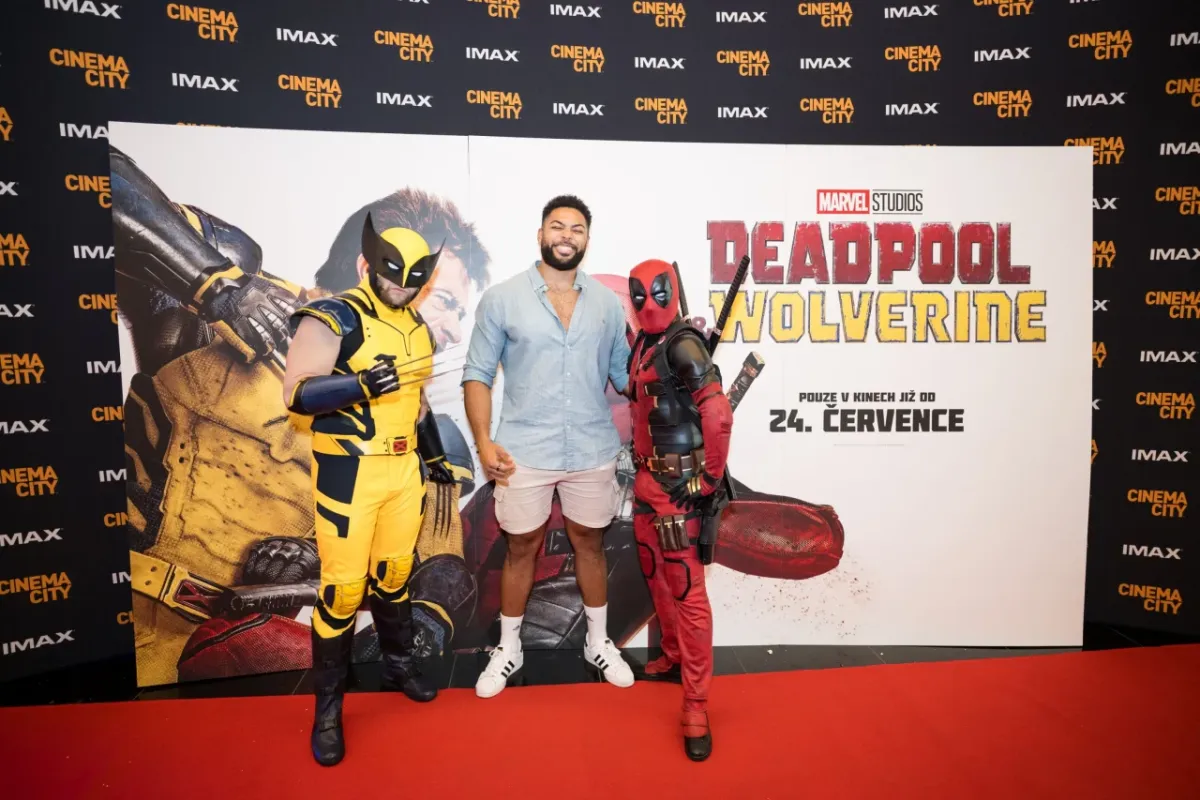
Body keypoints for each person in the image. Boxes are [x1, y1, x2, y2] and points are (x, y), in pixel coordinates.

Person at [109, 142, 489, 685]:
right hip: (128, 637)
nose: (453, 330)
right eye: (446, 302)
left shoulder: (420, 423)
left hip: (249, 666)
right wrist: (219, 290)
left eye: (461, 314)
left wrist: (414, 623)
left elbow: (441, 567)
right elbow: (100, 177)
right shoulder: (240, 303)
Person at [281, 214, 465, 766]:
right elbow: (296, 392)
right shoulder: (335, 316)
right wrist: (358, 385)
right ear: (369, 263)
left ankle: (398, 666)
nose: (402, 286)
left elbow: (418, 402)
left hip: (403, 471)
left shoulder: (417, 327)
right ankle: (328, 711)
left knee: (395, 574)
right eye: (393, 274)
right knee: (342, 592)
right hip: (350, 471)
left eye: (413, 279)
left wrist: (435, 455)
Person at [461, 195, 636, 697]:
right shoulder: (503, 298)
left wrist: (669, 365)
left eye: (576, 229)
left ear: (587, 240)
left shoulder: (606, 304)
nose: (566, 236)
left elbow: (625, 377)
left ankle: (598, 642)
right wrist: (483, 441)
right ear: (541, 235)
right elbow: (477, 375)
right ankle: (509, 649)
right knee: (521, 548)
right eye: (557, 226)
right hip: (524, 451)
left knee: (590, 545)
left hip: (591, 448)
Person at [624, 258, 734, 762]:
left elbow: (718, 412)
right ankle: (671, 655)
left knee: (687, 591)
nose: (648, 303)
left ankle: (696, 706)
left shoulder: (683, 344)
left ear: (671, 292)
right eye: (640, 294)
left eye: (657, 292)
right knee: (656, 573)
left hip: (678, 491)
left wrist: (708, 477)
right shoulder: (643, 345)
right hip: (647, 483)